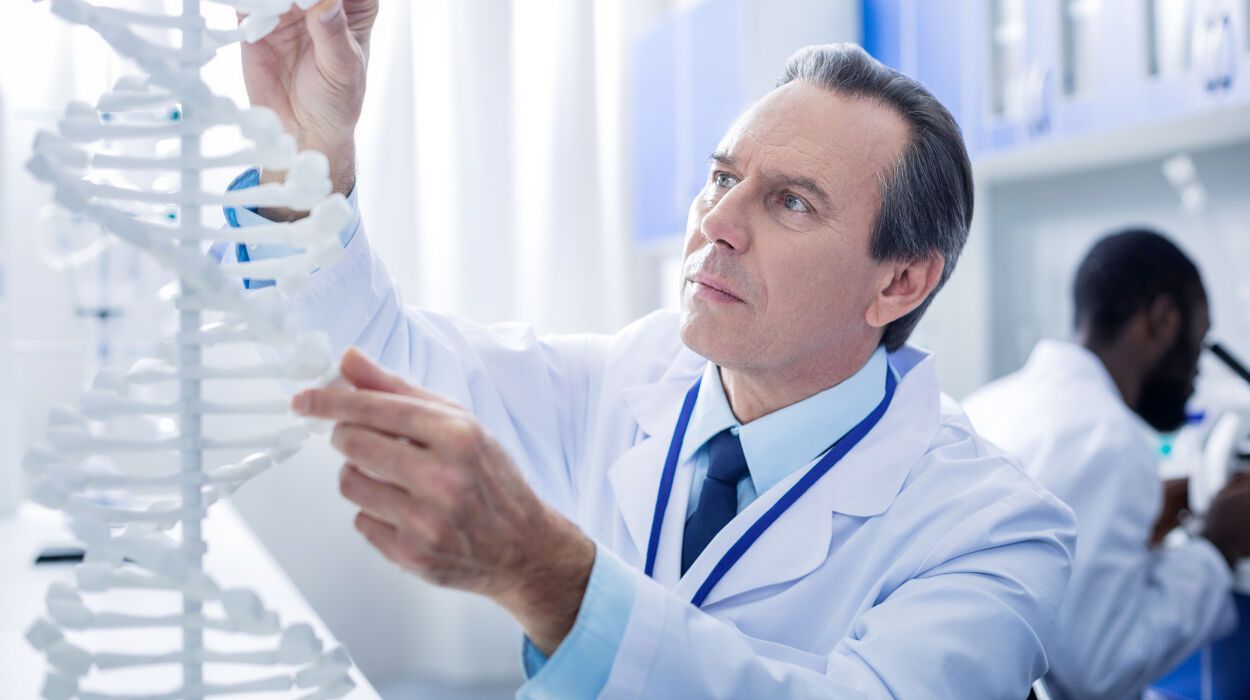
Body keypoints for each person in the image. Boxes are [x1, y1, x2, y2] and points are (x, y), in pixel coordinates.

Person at [226, 2, 1078, 696]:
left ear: (898, 285)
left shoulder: (997, 532)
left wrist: (554, 580)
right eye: (721, 176)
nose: (715, 222)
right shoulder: (630, 377)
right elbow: (368, 357)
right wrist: (302, 162)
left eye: (790, 203)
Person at [964, 229, 1250, 700]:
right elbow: (1100, 670)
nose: (1196, 376)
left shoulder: (993, 403)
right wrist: (1218, 545)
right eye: (1198, 347)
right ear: (1162, 320)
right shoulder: (1110, 437)